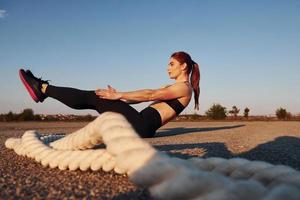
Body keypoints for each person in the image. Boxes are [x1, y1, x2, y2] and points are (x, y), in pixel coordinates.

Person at [19, 51, 200, 138]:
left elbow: (150, 94)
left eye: (171, 64)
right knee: (99, 98)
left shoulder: (184, 88)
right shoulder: (174, 87)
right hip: (140, 123)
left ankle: (42, 89)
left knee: (95, 97)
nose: (167, 67)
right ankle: (43, 89)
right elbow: (141, 100)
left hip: (142, 126)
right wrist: (120, 97)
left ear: (183, 66)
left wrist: (118, 95)